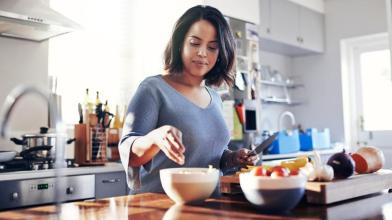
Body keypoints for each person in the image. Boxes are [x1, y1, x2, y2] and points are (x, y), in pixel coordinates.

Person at [119, 5, 259, 194]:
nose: (202, 53)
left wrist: (233, 158)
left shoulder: (215, 98)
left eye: (212, 47)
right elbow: (129, 152)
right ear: (180, 43)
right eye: (195, 43)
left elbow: (211, 156)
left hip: (207, 206)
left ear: (220, 54)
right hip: (157, 208)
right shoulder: (153, 89)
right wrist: (155, 138)